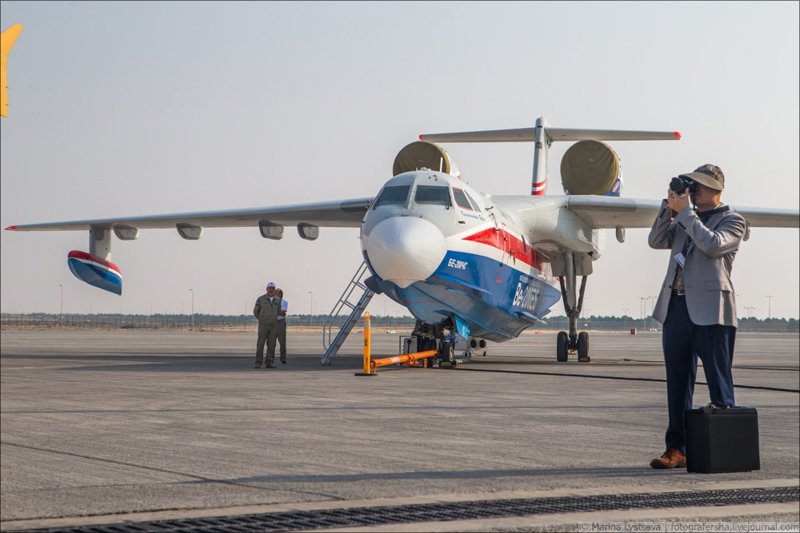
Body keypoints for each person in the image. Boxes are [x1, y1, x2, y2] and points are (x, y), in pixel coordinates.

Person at [647, 164, 746, 469]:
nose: (695, 190)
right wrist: (669, 206)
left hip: (712, 310)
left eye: (700, 186)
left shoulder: (733, 220)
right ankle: (675, 448)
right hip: (676, 306)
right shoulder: (684, 218)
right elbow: (656, 240)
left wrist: (686, 214)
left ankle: (724, 448)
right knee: (677, 381)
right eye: (692, 185)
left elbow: (713, 245)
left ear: (718, 190)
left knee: (718, 381)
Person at [253, 281, 282, 369]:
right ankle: (258, 362)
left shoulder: (278, 300)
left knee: (272, 344)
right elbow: (255, 311)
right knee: (260, 344)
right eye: (269, 288)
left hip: (273, 325)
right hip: (263, 325)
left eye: (273, 288)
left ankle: (270, 362)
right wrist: (261, 319)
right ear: (266, 289)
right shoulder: (261, 299)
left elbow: (280, 312)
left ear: (274, 290)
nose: (271, 290)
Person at [276, 288, 288, 364]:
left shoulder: (284, 302)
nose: (276, 295)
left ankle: (283, 358)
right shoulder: (271, 302)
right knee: (271, 342)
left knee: (282, 342)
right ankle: (270, 358)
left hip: (280, 322)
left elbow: (283, 313)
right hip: (273, 322)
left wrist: (274, 312)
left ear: (281, 294)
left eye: (277, 293)